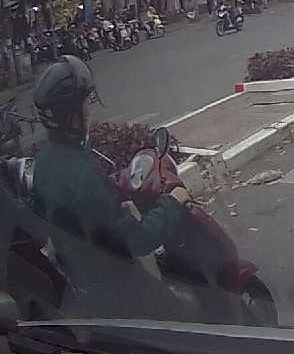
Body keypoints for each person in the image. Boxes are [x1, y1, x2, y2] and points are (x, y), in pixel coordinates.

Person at [30, 56, 192, 314]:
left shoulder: (45, 161)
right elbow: (139, 240)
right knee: (184, 316)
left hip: (81, 283)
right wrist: (173, 202)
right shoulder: (82, 174)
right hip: (118, 288)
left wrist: (113, 200)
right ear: (72, 115)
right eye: (84, 104)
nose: (88, 111)